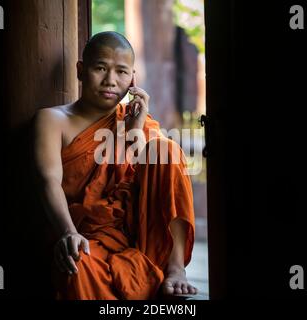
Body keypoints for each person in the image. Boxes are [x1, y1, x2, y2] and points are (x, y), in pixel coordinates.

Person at [34, 31, 197, 299]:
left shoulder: (132, 122)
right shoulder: (52, 120)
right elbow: (48, 180)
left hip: (140, 236)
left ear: (133, 79)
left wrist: (134, 133)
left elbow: (154, 186)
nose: (110, 81)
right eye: (100, 68)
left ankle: (176, 268)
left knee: (166, 150)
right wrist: (68, 233)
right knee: (77, 265)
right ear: (81, 70)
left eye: (121, 72)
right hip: (83, 236)